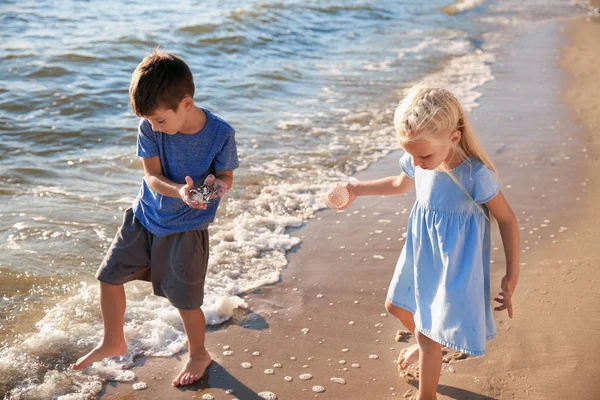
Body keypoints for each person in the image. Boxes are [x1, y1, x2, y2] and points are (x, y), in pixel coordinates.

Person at [335, 85, 520, 399]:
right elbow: (398, 183)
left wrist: (511, 275)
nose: (417, 163)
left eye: (422, 155)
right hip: (421, 254)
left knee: (427, 334)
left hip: (455, 262)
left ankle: (427, 390)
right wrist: (356, 188)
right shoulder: (421, 158)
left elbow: (507, 219)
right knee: (395, 306)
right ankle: (429, 345)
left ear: (454, 137)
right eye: (410, 154)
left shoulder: (475, 175)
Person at [72, 49, 239, 387]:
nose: (153, 126)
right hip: (145, 215)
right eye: (149, 120)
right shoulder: (149, 125)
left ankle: (199, 353)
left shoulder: (221, 133)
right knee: (109, 276)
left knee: (186, 299)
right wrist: (179, 191)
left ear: (186, 104)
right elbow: (151, 176)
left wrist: (214, 188)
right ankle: (112, 340)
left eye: (160, 120)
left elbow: (226, 177)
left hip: (187, 229)